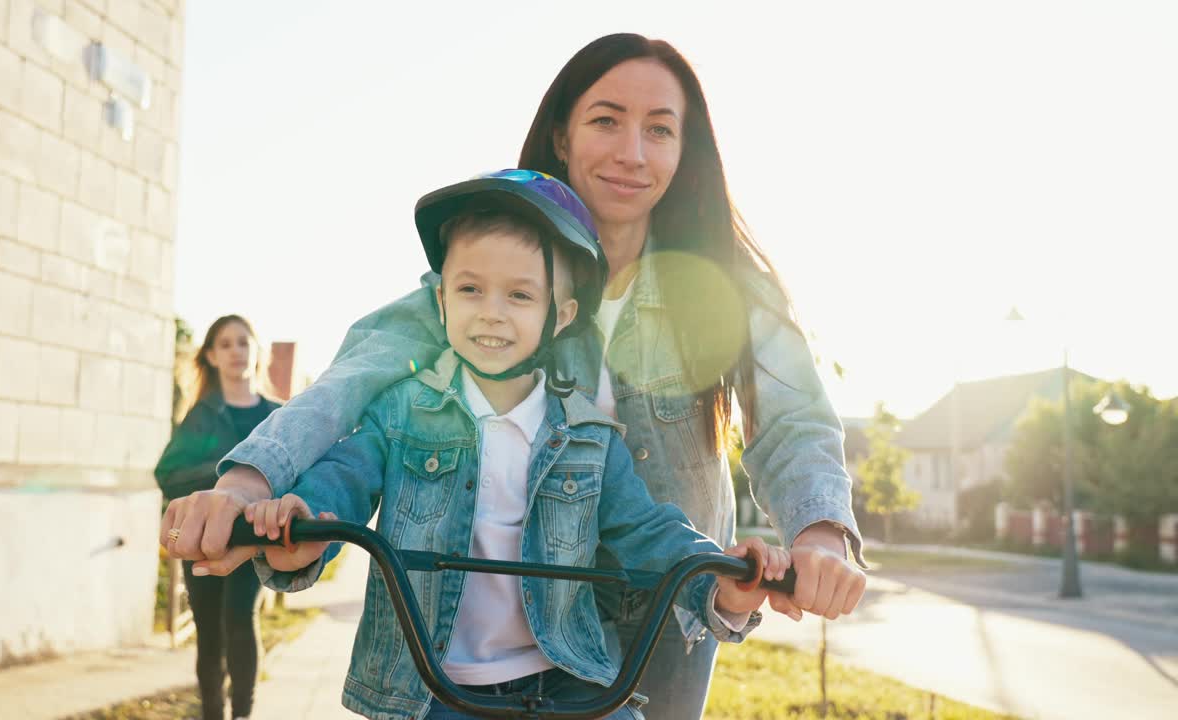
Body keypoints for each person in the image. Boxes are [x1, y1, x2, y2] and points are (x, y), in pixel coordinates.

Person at [167, 34, 867, 719]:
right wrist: (245, 487)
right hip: (510, 617)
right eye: (606, 121)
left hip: (671, 599)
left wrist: (819, 540)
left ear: (684, 154)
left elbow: (793, 419)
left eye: (659, 130)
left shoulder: (726, 289)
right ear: (561, 135)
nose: (631, 151)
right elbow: (348, 385)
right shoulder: (484, 279)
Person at [238, 169, 794, 720]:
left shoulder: (589, 437)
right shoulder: (401, 413)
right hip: (428, 691)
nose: (492, 311)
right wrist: (304, 525)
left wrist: (717, 579)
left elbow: (651, 530)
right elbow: (344, 480)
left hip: (567, 679)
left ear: (562, 316)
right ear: (440, 304)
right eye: (470, 289)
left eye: (521, 295)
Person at [155, 314, 282, 720]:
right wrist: (225, 481)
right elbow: (168, 473)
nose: (235, 351)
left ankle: (243, 713)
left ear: (256, 350)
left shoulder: (278, 416)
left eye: (243, 342)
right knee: (210, 631)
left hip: (252, 539)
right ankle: (212, 712)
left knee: (240, 618)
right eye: (225, 344)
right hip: (203, 541)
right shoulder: (202, 415)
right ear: (210, 356)